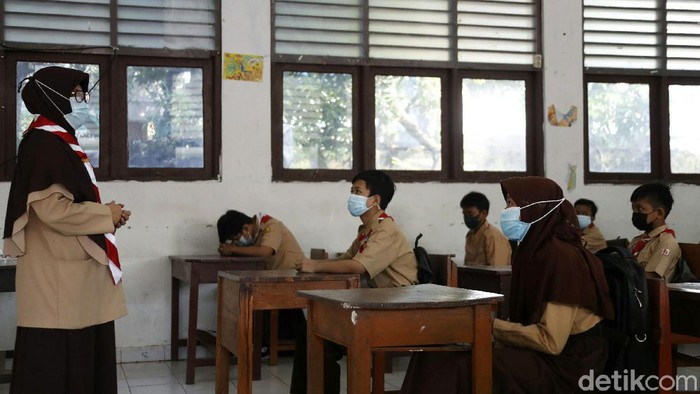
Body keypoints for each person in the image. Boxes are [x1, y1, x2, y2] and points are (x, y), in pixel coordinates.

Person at [401, 176, 614, 394]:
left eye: (511, 204)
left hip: (570, 363)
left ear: (536, 209)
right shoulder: (532, 251)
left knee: (459, 364)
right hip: (544, 350)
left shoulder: (562, 258)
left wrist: (489, 328)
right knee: (434, 351)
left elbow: (551, 341)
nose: (506, 210)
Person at [3, 66, 131, 394]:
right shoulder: (44, 143)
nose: (83, 101)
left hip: (71, 277)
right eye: (77, 94)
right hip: (60, 280)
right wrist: (105, 215)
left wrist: (107, 215)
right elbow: (52, 210)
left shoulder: (55, 140)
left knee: (81, 361)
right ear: (55, 97)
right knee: (59, 368)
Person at [290, 169, 418, 394]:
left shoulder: (387, 230)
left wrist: (316, 266)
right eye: (351, 191)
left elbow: (359, 266)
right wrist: (312, 265)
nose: (352, 196)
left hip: (396, 310)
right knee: (310, 328)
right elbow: (346, 260)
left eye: (358, 191)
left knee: (319, 333)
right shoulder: (366, 230)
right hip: (375, 304)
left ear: (375, 200)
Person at [628, 182, 681, 282]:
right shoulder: (637, 240)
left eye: (640, 209)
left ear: (659, 213)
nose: (635, 213)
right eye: (633, 208)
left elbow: (650, 277)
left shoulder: (666, 242)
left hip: (647, 295)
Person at [217, 210, 304, 270]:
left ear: (245, 229)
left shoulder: (271, 225)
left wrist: (232, 249)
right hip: (275, 276)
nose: (235, 243)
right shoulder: (253, 235)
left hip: (295, 275)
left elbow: (265, 252)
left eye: (236, 239)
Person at [461, 191, 511, 266]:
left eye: (470, 213)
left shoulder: (492, 237)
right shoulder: (470, 235)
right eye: (464, 214)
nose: (466, 217)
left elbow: (497, 271)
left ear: (484, 213)